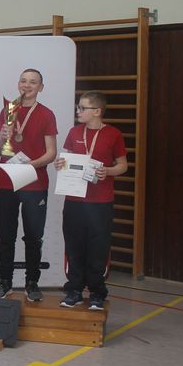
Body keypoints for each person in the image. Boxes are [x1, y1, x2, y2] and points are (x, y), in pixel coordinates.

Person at [54, 91, 127, 310]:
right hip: (74, 199)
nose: (78, 111)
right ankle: (74, 289)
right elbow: (64, 158)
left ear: (97, 111)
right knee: (74, 245)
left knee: (98, 246)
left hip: (100, 202)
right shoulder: (74, 132)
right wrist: (60, 164)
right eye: (78, 107)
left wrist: (109, 171)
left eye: (82, 108)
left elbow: (123, 165)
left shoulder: (113, 134)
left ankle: (97, 291)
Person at [0, 68, 57, 301]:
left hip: (34, 183)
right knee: (5, 236)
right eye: (23, 80)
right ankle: (5, 281)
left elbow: (51, 153)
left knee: (33, 236)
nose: (27, 85)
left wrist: (31, 164)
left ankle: (32, 282)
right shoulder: (8, 110)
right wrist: (2, 135)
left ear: (40, 88)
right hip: (6, 181)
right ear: (18, 84)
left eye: (33, 82)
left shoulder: (46, 114)